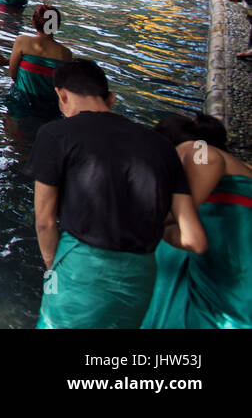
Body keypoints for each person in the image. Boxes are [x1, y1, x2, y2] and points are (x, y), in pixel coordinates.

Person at [28, 59, 207, 329]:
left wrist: (53, 268)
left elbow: (44, 220)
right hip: (141, 276)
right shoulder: (161, 146)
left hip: (80, 271)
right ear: (110, 98)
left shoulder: (55, 134)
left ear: (61, 95)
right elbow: (194, 240)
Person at [143, 113, 252, 329]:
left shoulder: (195, 149)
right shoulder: (238, 164)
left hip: (231, 259)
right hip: (233, 254)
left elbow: (207, 159)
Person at [7, 4, 73, 118]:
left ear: (33, 21)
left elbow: (13, 74)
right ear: (57, 25)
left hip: (21, 101)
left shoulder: (22, 41)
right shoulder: (65, 53)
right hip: (48, 107)